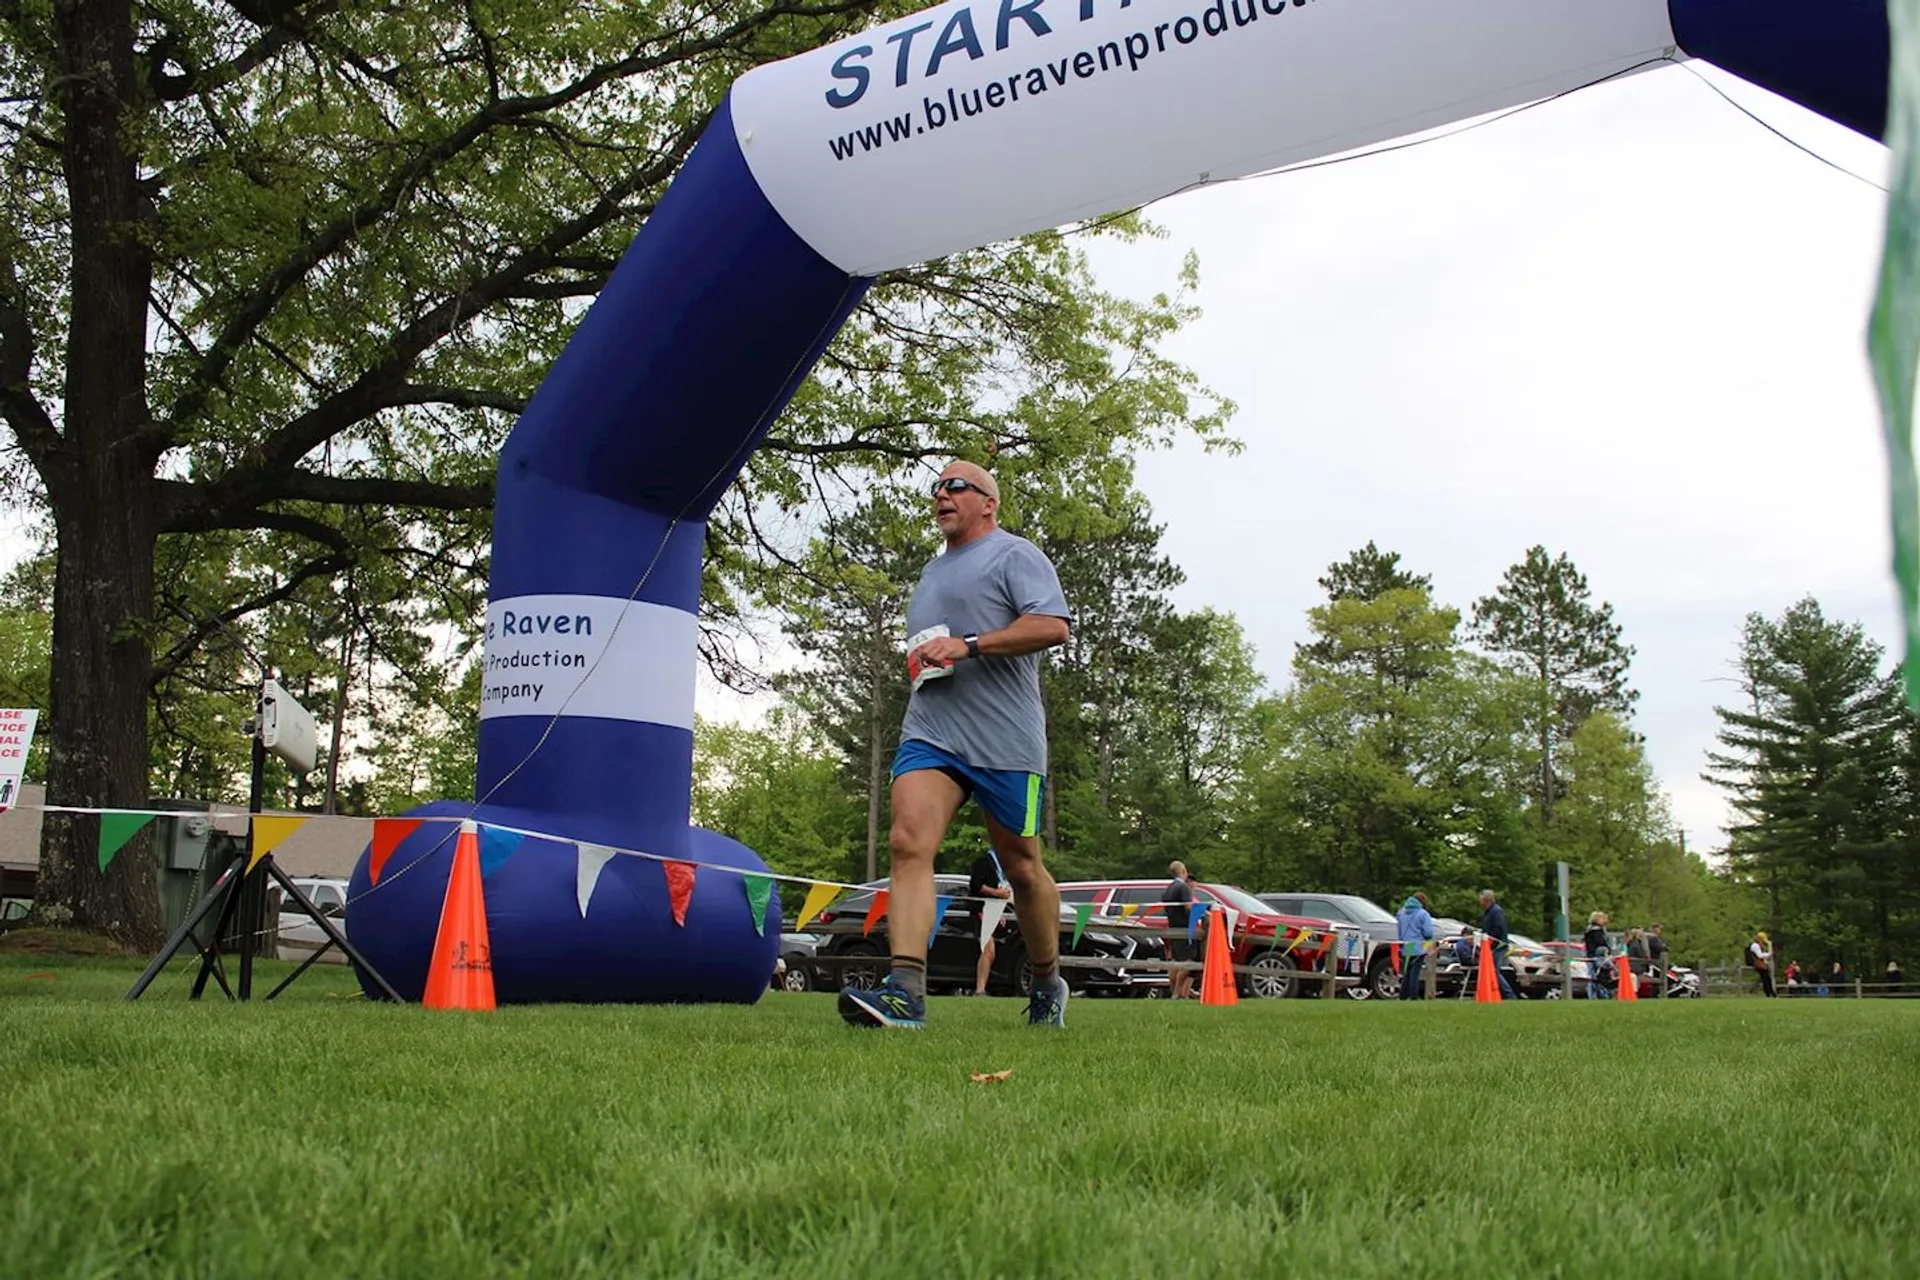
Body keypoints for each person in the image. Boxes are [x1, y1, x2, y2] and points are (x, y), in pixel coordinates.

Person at [838, 460, 1073, 1031]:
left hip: (1005, 739)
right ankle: (906, 991)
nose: (941, 494)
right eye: (937, 487)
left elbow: (1053, 626)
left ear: (989, 502)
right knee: (907, 842)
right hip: (932, 730)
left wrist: (967, 645)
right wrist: (925, 657)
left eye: (956, 486)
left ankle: (1047, 982)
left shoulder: (1015, 555)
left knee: (1021, 867)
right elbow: (932, 648)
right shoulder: (929, 572)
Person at [966, 848, 1013, 996]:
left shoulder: (1000, 867)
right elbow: (976, 885)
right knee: (988, 949)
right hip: (980, 910)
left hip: (990, 910)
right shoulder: (983, 862)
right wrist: (996, 893)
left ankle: (981, 988)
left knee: (989, 951)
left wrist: (999, 912)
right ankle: (980, 990)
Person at [1477, 889, 1520, 1001]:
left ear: (1486, 900)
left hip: (1498, 946)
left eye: (1481, 899)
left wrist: (1488, 937)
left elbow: (1499, 929)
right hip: (1490, 946)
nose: (1480, 902)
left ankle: (1509, 994)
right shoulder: (1488, 912)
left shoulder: (1496, 912)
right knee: (1493, 971)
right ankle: (1495, 992)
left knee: (1495, 971)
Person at [1162, 861, 1196, 1001]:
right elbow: (1188, 907)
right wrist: (1202, 914)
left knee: (1175, 962)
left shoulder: (1169, 888)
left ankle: (1173, 992)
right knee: (1188, 962)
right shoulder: (1183, 887)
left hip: (1173, 928)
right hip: (1184, 928)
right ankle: (1177, 993)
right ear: (1183, 871)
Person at [1395, 892, 1437, 1000]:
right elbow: (1428, 933)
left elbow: (1399, 931)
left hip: (1406, 945)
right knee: (1415, 972)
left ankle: (1403, 995)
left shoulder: (1401, 913)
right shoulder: (1423, 914)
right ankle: (1413, 996)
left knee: (1407, 971)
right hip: (1419, 945)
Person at [1583, 911, 1613, 1000]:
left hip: (1592, 955)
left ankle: (1595, 994)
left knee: (1594, 977)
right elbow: (1600, 943)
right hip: (1598, 957)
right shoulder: (1596, 931)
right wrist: (1606, 950)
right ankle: (1601, 994)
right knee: (1600, 976)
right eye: (1602, 918)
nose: (1604, 920)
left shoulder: (1590, 930)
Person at [1747, 931, 1775, 998]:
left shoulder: (1758, 945)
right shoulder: (1755, 946)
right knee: (1766, 979)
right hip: (1759, 965)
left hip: (1761, 964)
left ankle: (1770, 993)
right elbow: (1760, 956)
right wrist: (1769, 954)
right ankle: (1770, 993)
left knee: (1766, 979)